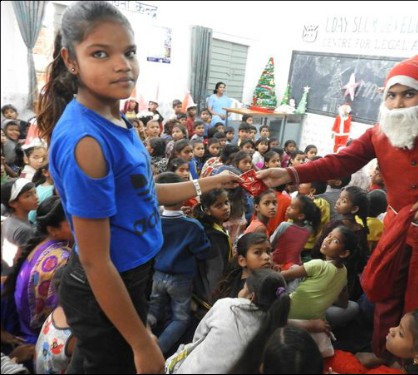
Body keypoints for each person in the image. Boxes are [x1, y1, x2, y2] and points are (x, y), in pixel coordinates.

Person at [36, 3, 241, 372]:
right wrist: (143, 342)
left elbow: (144, 194)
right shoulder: (86, 140)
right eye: (100, 53)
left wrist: (210, 181)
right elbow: (98, 261)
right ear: (70, 59)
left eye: (129, 52)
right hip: (108, 285)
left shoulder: (115, 115)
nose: (122, 64)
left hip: (134, 274)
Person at [166, 269, 290, 373]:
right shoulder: (275, 331)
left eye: (244, 288)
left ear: (251, 297)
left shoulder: (227, 305)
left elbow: (198, 336)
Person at [146, 173, 215, 355]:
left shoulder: (155, 220)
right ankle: (157, 351)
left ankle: (143, 338)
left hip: (157, 274)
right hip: (181, 280)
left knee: (153, 310)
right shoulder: (193, 226)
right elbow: (203, 251)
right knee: (180, 318)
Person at [5, 196, 72, 345]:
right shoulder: (62, 260)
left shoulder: (41, 244)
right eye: (71, 221)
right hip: (39, 339)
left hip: (23, 327)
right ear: (53, 230)